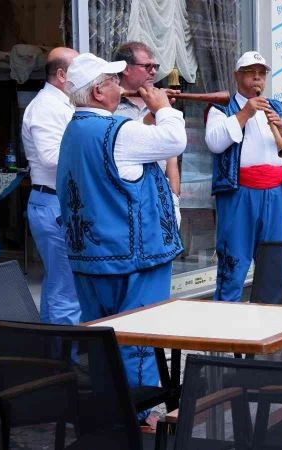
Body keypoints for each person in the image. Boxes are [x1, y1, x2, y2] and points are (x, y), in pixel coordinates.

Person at [56, 53, 185, 418]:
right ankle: (137, 421)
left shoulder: (73, 131)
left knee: (101, 345)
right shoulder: (117, 131)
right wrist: (164, 109)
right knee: (137, 344)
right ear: (98, 91)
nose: (120, 85)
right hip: (133, 259)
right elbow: (174, 140)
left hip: (90, 259)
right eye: (113, 81)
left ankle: (109, 418)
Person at [205, 51, 282, 301]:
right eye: (251, 73)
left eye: (261, 74)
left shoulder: (279, 107)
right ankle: (226, 327)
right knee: (233, 260)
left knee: (273, 263)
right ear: (237, 76)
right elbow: (215, 143)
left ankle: (267, 324)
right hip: (239, 194)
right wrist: (245, 113)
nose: (257, 79)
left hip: (276, 194)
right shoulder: (221, 109)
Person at [22, 47, 80, 327]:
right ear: (61, 75)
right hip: (53, 202)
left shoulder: (63, 103)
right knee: (66, 288)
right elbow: (50, 157)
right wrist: (91, 150)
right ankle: (65, 362)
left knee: (61, 284)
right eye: (77, 70)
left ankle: (54, 356)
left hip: (58, 202)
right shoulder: (46, 106)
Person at [114, 41, 182, 227]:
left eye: (155, 66)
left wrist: (174, 199)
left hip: (158, 198)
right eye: (147, 66)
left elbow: (171, 158)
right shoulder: (110, 105)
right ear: (126, 69)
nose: (153, 71)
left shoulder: (161, 104)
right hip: (121, 200)